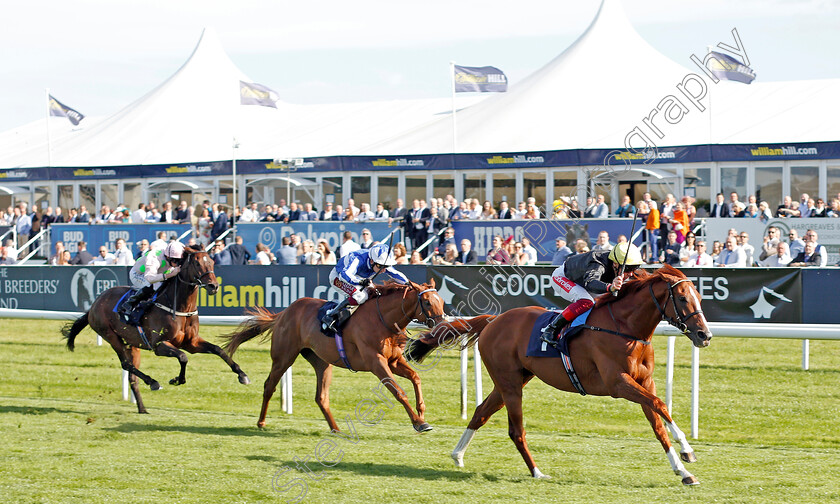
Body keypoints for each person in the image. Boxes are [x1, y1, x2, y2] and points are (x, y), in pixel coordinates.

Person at [541, 242, 643, 345]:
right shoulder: (597, 262)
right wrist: (610, 287)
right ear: (615, 264)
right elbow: (590, 282)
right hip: (564, 277)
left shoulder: (619, 263)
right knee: (586, 301)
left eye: (635, 268)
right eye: (628, 269)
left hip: (583, 279)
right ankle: (551, 329)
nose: (631, 273)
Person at [321, 244, 409, 331]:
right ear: (371, 261)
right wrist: (360, 281)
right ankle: (330, 316)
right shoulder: (358, 258)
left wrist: (409, 283)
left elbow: (395, 274)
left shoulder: (379, 262)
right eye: (380, 266)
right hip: (339, 277)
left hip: (358, 279)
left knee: (376, 293)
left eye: (386, 266)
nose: (383, 270)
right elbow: (344, 275)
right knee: (361, 296)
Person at [118, 241, 185, 323]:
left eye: (179, 261)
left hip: (158, 274)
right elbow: (150, 278)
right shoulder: (154, 257)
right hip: (139, 275)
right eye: (175, 261)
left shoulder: (173, 254)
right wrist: (170, 275)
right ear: (168, 256)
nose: (176, 264)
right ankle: (129, 304)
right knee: (152, 286)